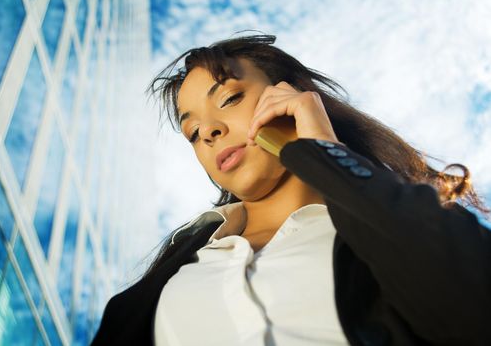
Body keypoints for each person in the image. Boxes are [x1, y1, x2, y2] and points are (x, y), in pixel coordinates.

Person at [91, 34, 491, 345]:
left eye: (229, 98)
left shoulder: (385, 224)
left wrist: (323, 151)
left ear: (290, 95)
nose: (209, 132)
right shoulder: (177, 268)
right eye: (193, 132)